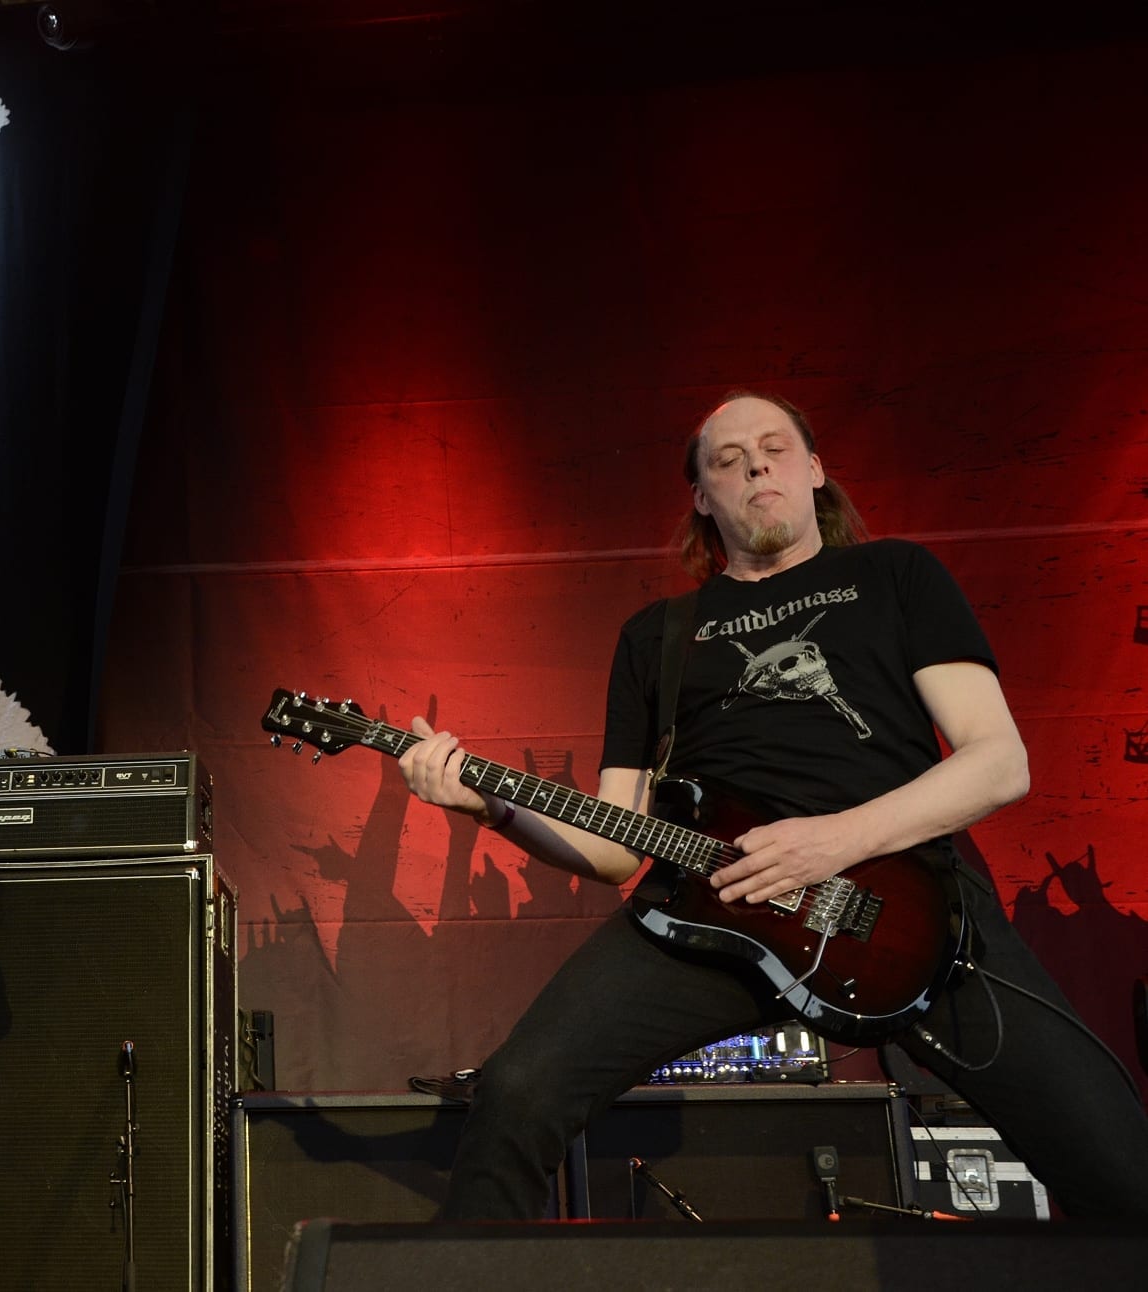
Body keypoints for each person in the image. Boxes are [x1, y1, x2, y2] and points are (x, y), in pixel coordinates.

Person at [399, 391, 1148, 1221]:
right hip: (710, 912)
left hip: (908, 912)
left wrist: (831, 843)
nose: (755, 464)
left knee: (1119, 1169)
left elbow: (998, 763)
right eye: (727, 459)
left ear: (816, 470)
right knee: (517, 1091)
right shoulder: (658, 636)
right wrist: (490, 808)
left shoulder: (895, 576)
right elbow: (613, 847)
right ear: (701, 496)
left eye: (775, 448)